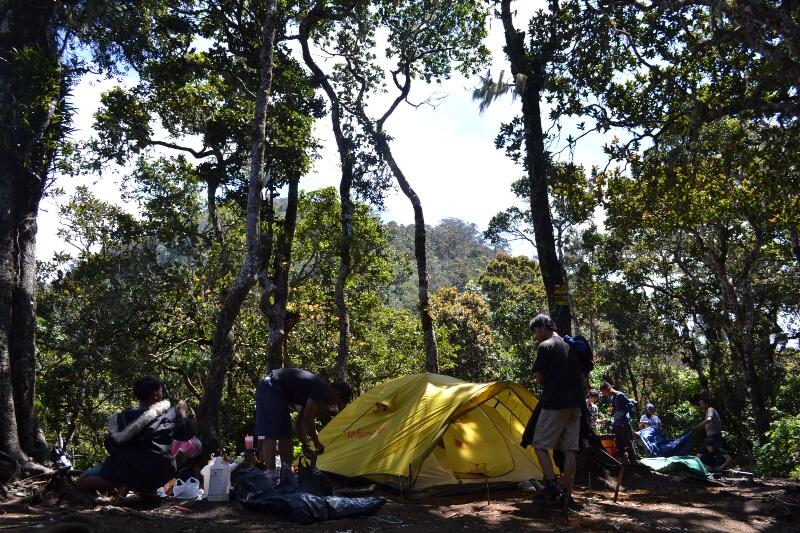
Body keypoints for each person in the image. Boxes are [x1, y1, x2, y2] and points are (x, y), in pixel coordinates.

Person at [78, 375, 195, 497]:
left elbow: (110, 443)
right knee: (146, 467)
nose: (162, 394)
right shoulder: (170, 415)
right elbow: (187, 433)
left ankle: (120, 483)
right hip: (162, 471)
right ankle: (143, 490)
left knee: (83, 480)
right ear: (155, 395)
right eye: (161, 392)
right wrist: (182, 413)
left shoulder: (124, 417)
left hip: (130, 469)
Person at [255, 368, 351, 486]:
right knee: (271, 432)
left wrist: (305, 445)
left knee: (285, 434)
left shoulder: (314, 393)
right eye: (337, 402)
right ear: (336, 394)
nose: (334, 405)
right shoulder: (320, 388)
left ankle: (286, 474)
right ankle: (271, 474)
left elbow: (299, 423)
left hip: (280, 394)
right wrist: (316, 442)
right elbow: (308, 419)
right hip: (270, 387)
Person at [528, 314, 584, 506]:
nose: (536, 335)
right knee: (569, 450)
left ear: (543, 325)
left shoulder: (545, 346)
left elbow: (540, 378)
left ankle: (552, 484)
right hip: (576, 404)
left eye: (536, 330)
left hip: (555, 402)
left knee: (539, 444)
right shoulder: (571, 345)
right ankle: (567, 494)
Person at [600, 381, 637, 463]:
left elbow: (630, 405)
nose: (604, 394)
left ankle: (634, 463)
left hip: (624, 424)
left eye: (604, 392)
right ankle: (624, 464)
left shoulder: (620, 395)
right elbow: (616, 410)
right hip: (617, 425)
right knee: (619, 446)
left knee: (627, 444)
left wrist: (622, 412)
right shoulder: (613, 398)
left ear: (608, 389)